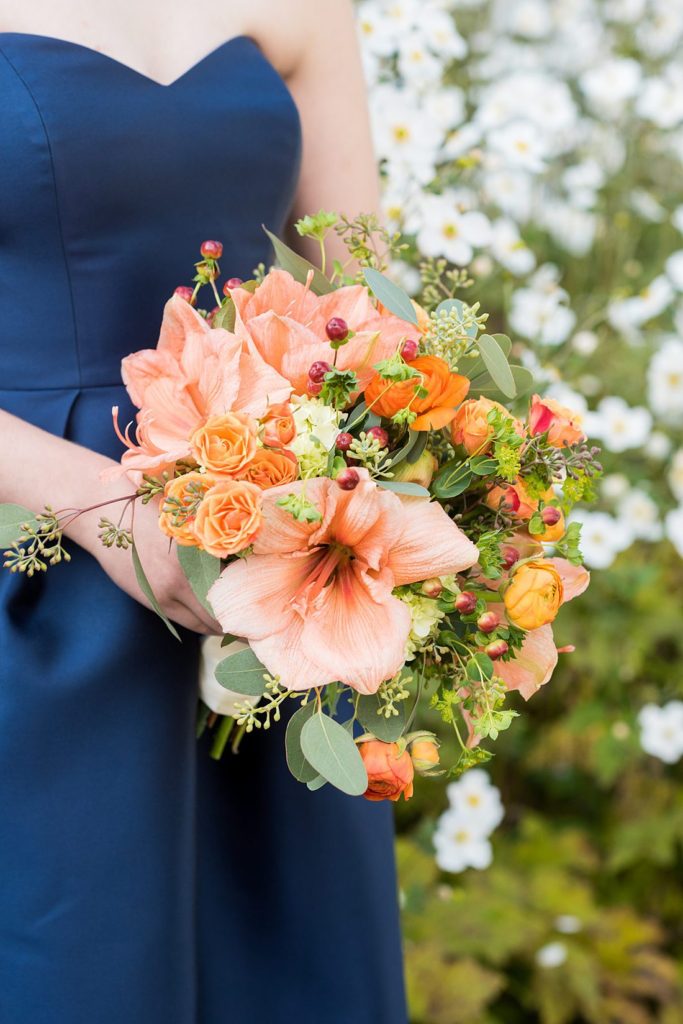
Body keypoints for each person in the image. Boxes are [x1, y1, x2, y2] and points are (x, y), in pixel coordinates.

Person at [0, 2, 408, 1021]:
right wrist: (99, 503)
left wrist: (408, 483)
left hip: (266, 581)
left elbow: (356, 301)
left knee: (288, 965)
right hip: (33, 567)